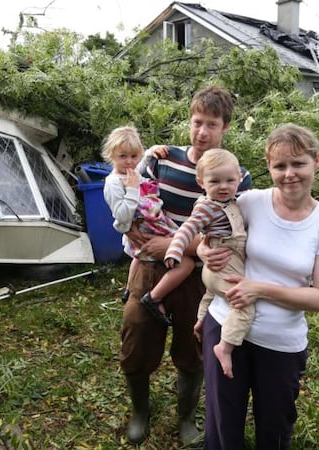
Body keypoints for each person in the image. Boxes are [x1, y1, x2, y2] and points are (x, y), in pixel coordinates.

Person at [198, 123, 319, 449]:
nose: (289, 173)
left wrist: (260, 289)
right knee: (222, 423)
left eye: (298, 163)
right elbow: (207, 231)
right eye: (279, 166)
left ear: (316, 161)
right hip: (225, 325)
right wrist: (203, 250)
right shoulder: (251, 202)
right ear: (269, 168)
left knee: (275, 428)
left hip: (280, 344)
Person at [119, 86, 252, 445]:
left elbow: (229, 233)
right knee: (136, 337)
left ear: (226, 127)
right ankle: (140, 413)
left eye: (212, 124)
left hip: (201, 279)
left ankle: (187, 418)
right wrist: (138, 236)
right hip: (150, 267)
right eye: (197, 122)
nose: (203, 132)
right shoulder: (161, 160)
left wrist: (181, 246)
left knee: (193, 349)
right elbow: (128, 196)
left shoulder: (236, 175)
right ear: (189, 122)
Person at [164, 148, 248, 380]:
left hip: (214, 272)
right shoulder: (206, 207)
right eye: (215, 181)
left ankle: (201, 322)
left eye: (230, 180)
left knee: (210, 295)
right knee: (244, 305)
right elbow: (187, 229)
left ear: (239, 178)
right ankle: (226, 347)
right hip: (224, 263)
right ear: (202, 182)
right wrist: (175, 250)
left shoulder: (233, 200)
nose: (223, 186)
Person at [100, 126, 195, 326]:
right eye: (122, 156)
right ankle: (154, 298)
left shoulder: (133, 171)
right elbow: (122, 214)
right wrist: (133, 189)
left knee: (136, 256)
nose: (129, 161)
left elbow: (141, 167)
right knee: (187, 264)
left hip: (153, 224)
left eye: (134, 156)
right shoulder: (113, 183)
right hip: (147, 230)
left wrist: (152, 151)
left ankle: (128, 290)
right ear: (111, 156)